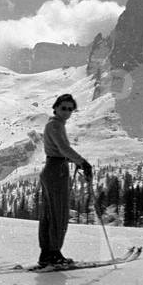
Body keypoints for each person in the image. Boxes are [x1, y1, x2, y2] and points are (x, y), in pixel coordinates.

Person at [38, 94, 92, 267]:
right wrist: (82, 162)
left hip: (53, 168)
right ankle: (54, 253)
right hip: (57, 171)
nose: (67, 112)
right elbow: (63, 148)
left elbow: (58, 150)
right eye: (64, 108)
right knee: (59, 214)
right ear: (55, 108)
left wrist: (71, 160)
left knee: (49, 214)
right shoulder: (55, 125)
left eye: (70, 109)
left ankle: (47, 253)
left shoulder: (54, 124)